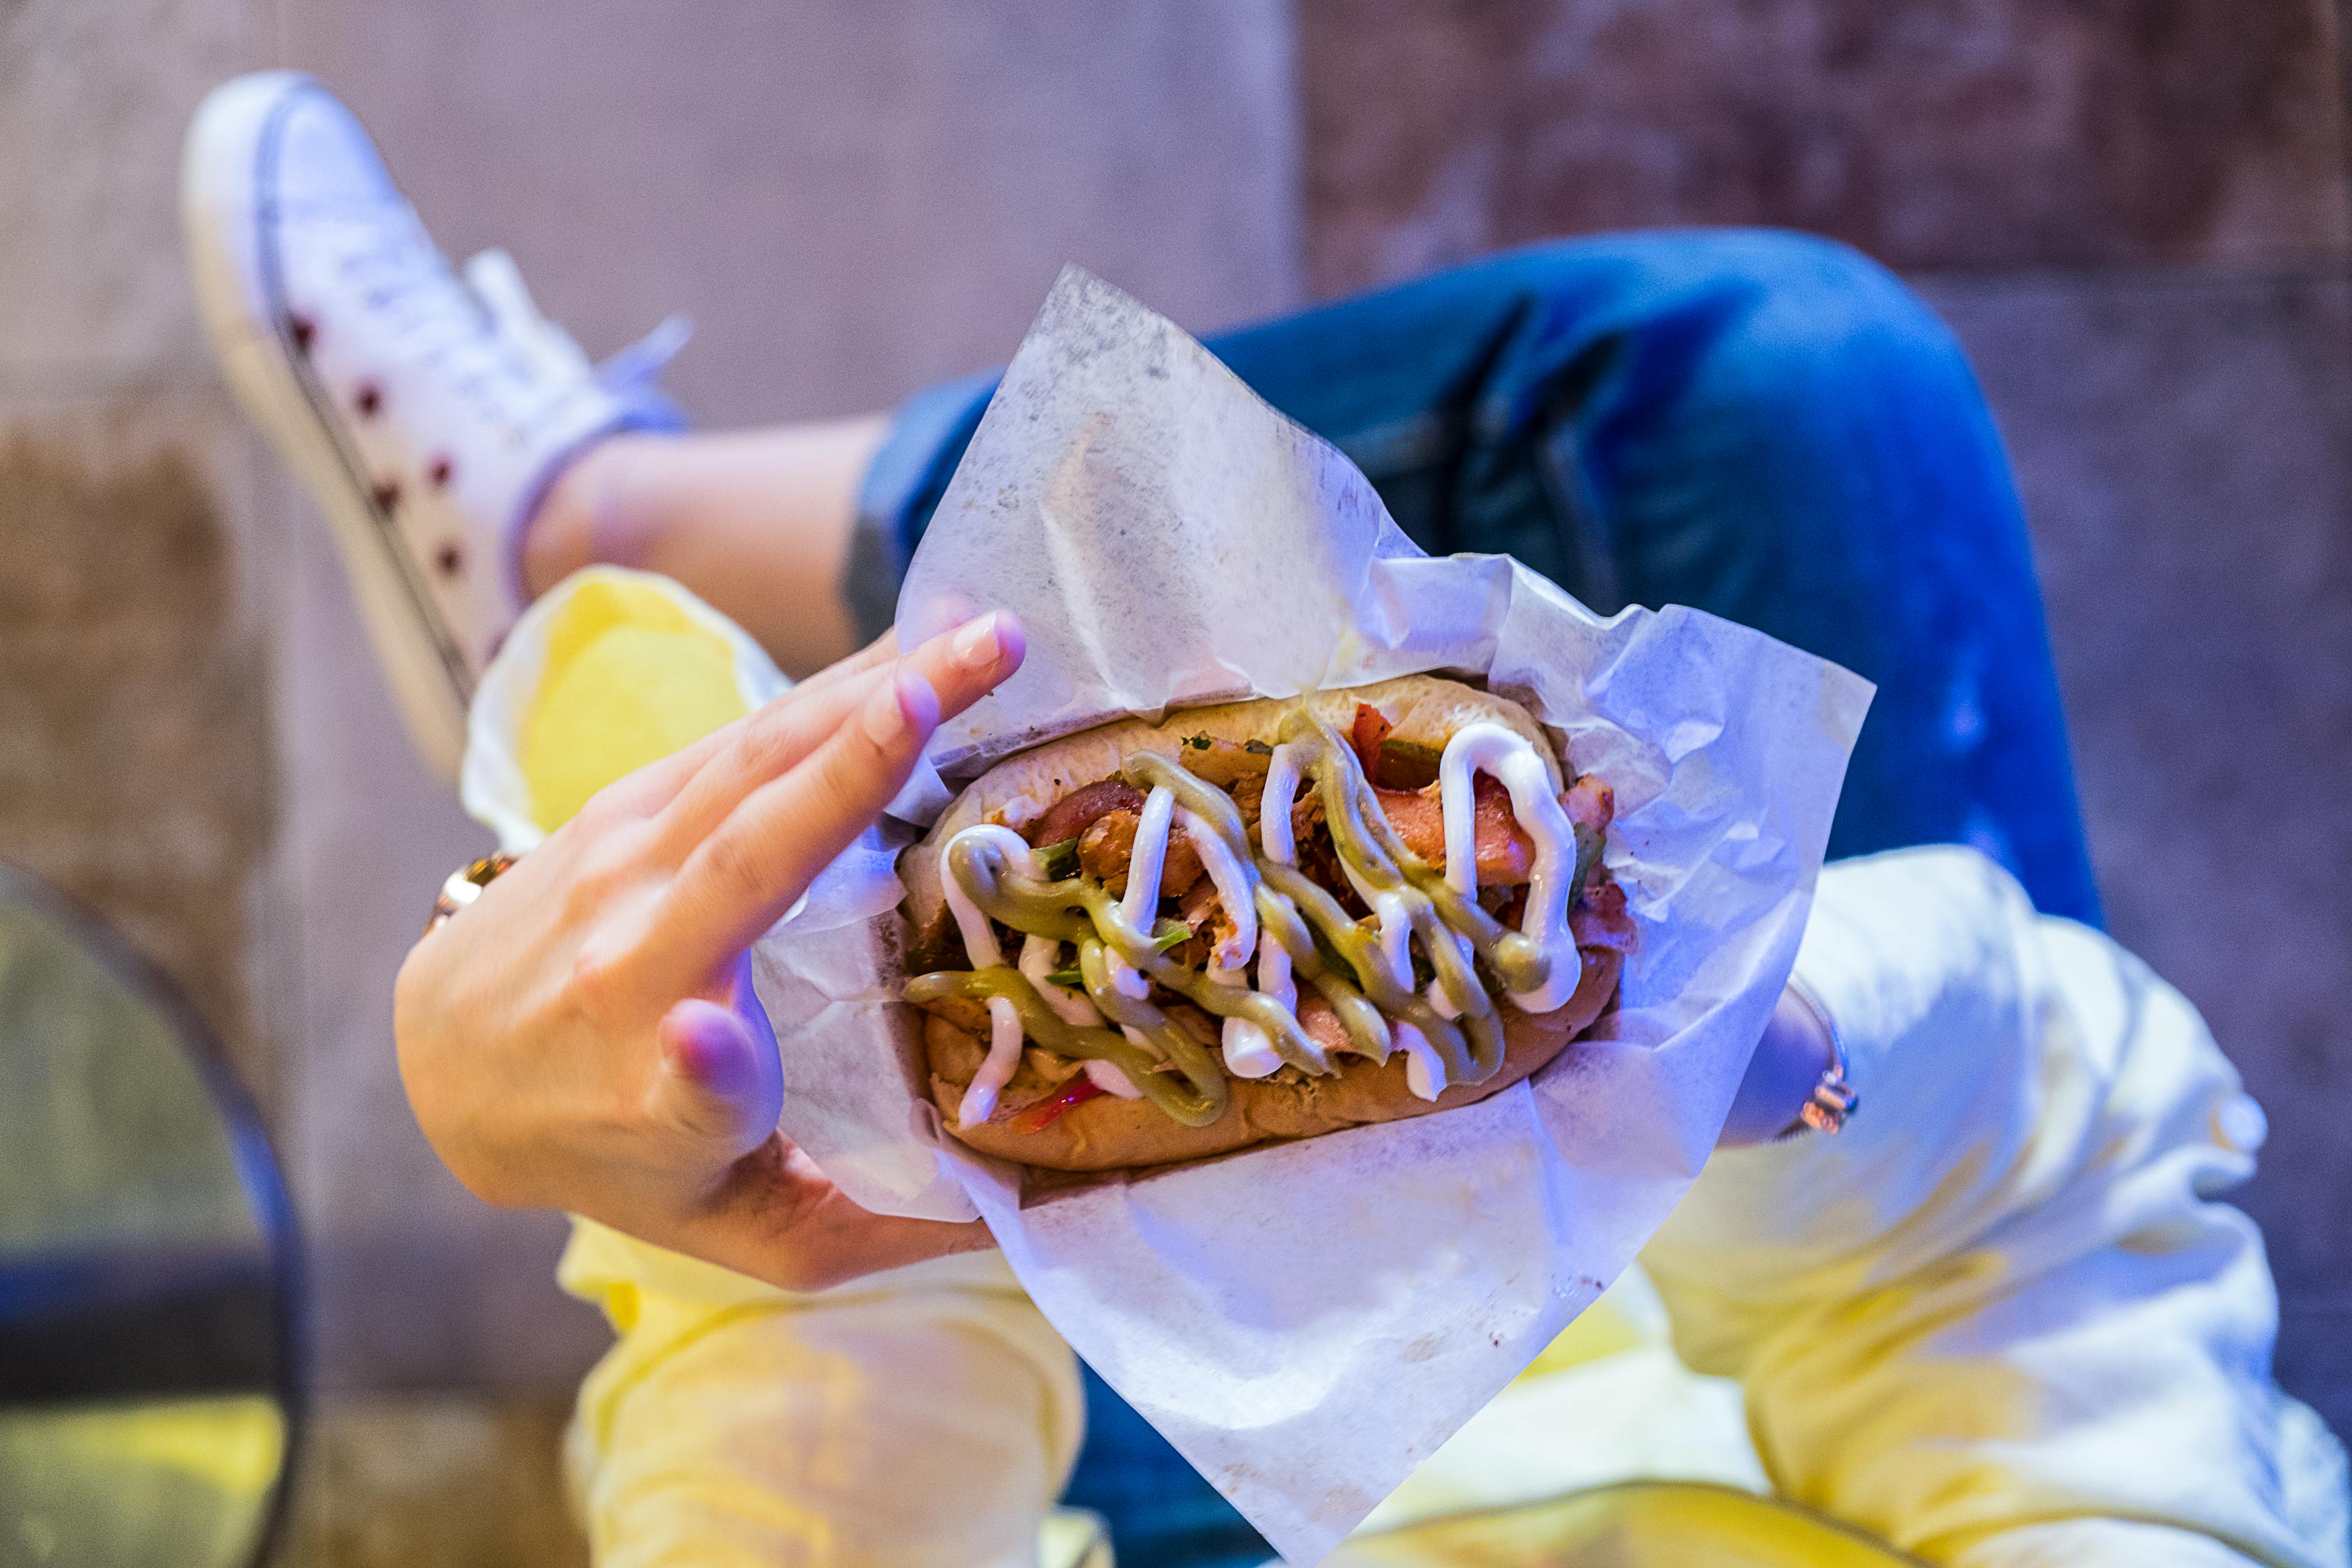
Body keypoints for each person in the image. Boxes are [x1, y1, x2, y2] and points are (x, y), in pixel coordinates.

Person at [182, 72, 2348, 1568]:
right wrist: (1747, 1069)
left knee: (1729, 394)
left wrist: (676, 1101)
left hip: (1173, 1479)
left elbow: (815, 1477)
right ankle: (609, 509)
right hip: (1791, 1331)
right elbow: (2069, 1254)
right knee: (1782, 374)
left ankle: (568, 555)